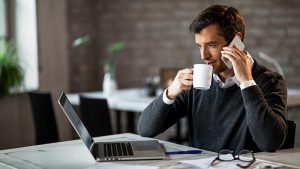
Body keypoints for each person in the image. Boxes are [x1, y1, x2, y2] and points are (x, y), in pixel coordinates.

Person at [137, 5, 287, 153]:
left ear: (237, 40)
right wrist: (170, 92)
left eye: (211, 45)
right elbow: (145, 129)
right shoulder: (195, 82)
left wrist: (247, 83)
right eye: (199, 46)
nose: (203, 55)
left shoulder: (270, 81)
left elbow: (270, 143)